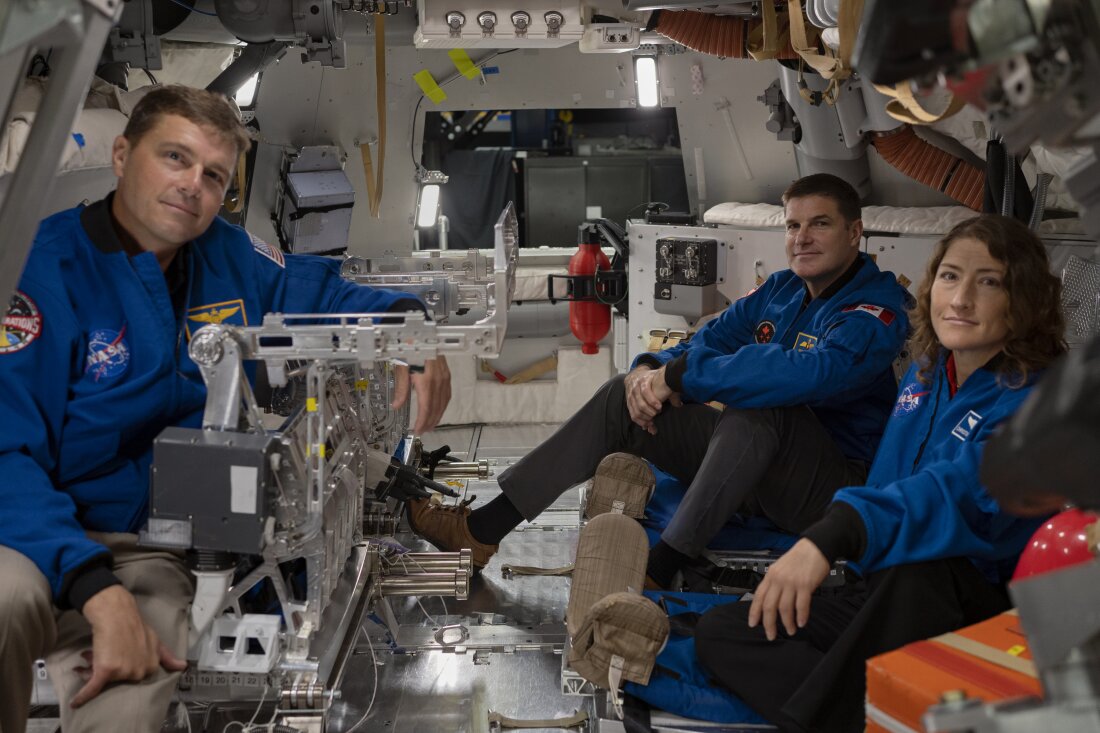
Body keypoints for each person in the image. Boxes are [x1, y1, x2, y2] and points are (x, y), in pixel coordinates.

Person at [0, 85, 450, 733]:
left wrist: (410, 328)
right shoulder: (40, 271)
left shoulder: (225, 255)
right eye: (174, 158)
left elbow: (316, 287)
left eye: (213, 175)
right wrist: (92, 587)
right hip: (31, 530)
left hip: (149, 548)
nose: (192, 185)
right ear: (123, 156)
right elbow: (5, 453)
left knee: (129, 710)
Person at [407, 173, 910, 587]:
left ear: (854, 232)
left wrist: (685, 376)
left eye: (819, 224)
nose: (802, 238)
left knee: (764, 405)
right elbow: (710, 338)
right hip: (758, 464)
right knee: (618, 398)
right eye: (794, 225)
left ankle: (663, 566)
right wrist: (651, 369)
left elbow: (811, 374)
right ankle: (480, 531)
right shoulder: (781, 289)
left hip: (829, 489)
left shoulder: (875, 310)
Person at [693, 214, 1067, 732]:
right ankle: (863, 713)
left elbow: (952, 493)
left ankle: (853, 705)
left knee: (920, 572)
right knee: (725, 632)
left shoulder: (1040, 402)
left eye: (989, 283)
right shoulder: (927, 373)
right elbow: (889, 479)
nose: (960, 300)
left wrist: (833, 534)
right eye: (951, 276)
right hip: (878, 585)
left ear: (1024, 300)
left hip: (968, 602)